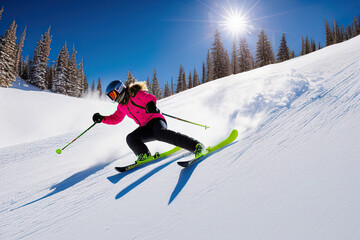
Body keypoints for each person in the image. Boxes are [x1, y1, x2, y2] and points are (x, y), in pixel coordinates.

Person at [93, 80, 205, 162]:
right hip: (145, 126)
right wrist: (102, 118)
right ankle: (143, 154)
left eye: (113, 95)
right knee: (131, 138)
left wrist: (151, 105)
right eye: (110, 97)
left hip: (155, 119)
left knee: (160, 133)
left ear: (119, 89)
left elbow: (149, 98)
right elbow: (115, 119)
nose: (113, 98)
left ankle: (195, 145)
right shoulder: (121, 107)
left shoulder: (134, 93)